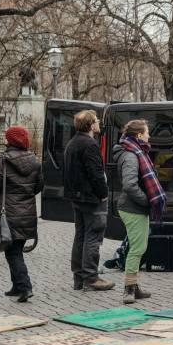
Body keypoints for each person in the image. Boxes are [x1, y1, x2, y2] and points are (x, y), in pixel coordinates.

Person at [112, 119, 167, 304]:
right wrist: (147, 201)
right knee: (137, 249)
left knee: (139, 247)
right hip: (132, 208)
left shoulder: (135, 152)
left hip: (134, 207)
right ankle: (128, 289)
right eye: (147, 132)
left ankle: (134, 287)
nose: (149, 135)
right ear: (139, 136)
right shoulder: (131, 155)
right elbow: (129, 185)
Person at [0, 127, 43, 302]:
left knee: (13, 253)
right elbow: (38, 186)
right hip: (27, 213)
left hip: (9, 213)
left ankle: (25, 287)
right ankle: (16, 286)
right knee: (16, 249)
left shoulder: (3, 160)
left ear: (10, 141)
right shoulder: (35, 161)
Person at [63, 110, 114, 291]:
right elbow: (96, 174)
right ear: (91, 125)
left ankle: (79, 276)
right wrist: (103, 193)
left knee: (81, 236)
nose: (99, 123)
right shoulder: (89, 144)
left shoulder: (72, 143)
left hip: (77, 197)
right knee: (93, 236)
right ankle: (91, 277)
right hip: (91, 198)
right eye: (97, 121)